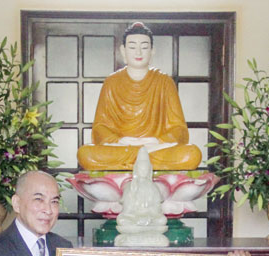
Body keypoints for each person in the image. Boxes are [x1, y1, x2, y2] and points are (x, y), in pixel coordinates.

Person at [76, 21, 201, 172]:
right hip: (123, 148)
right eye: (133, 47)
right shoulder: (112, 82)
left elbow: (179, 129)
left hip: (155, 148)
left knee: (192, 154)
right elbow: (100, 127)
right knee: (85, 154)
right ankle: (142, 162)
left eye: (144, 47)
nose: (138, 53)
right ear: (123, 50)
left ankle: (134, 163)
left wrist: (157, 140)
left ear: (152, 51)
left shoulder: (164, 82)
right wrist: (120, 140)